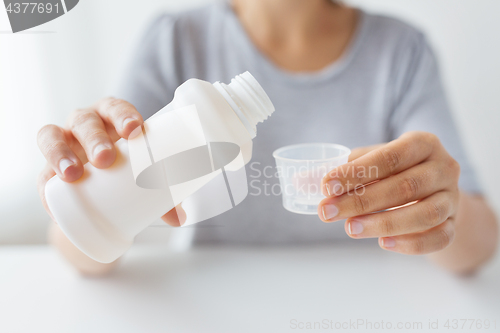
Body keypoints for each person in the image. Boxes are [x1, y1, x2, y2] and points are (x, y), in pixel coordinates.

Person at [37, 0, 497, 276]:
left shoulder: (401, 53)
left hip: (367, 303)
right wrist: (80, 176)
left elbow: (479, 246)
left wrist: (442, 204)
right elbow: (76, 246)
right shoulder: (176, 41)